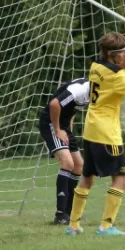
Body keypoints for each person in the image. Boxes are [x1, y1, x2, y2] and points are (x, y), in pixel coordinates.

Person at [65, 32, 125, 236]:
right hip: (107, 134)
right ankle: (106, 226)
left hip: (91, 130)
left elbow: (115, 68)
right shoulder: (118, 77)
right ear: (111, 54)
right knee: (121, 179)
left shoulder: (96, 66)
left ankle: (73, 225)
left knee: (87, 177)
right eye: (122, 51)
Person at [38, 77, 90, 225]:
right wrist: (58, 130)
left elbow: (71, 109)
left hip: (64, 126)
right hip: (51, 123)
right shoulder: (79, 89)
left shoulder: (94, 92)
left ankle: (70, 212)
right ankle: (60, 215)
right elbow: (55, 104)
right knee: (67, 163)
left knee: (79, 165)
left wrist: (68, 130)